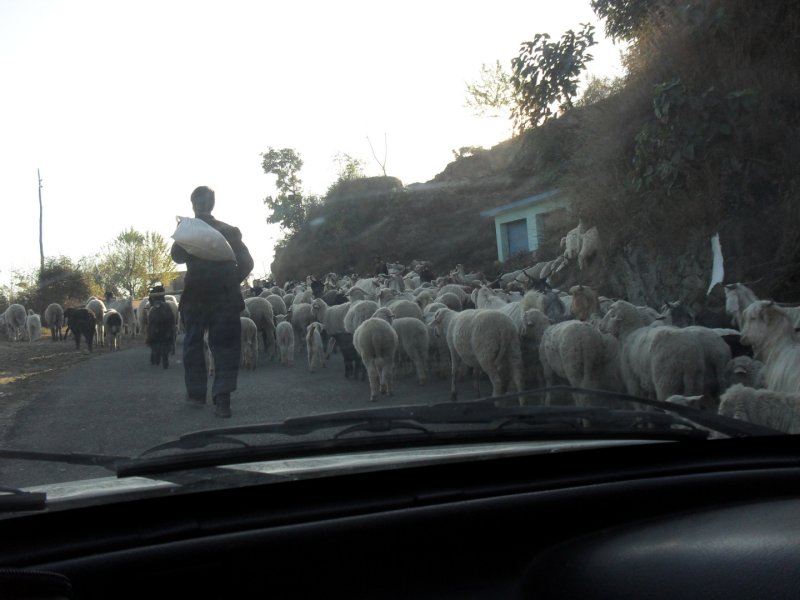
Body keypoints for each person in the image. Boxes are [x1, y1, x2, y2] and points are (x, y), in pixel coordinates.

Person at [170, 186, 254, 418]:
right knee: (225, 346)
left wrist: (182, 230)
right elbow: (247, 262)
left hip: (195, 297)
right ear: (213, 204)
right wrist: (230, 280)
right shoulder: (229, 231)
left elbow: (176, 256)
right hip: (225, 298)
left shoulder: (189, 231)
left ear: (193, 204)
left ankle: (196, 394)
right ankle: (222, 400)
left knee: (193, 345)